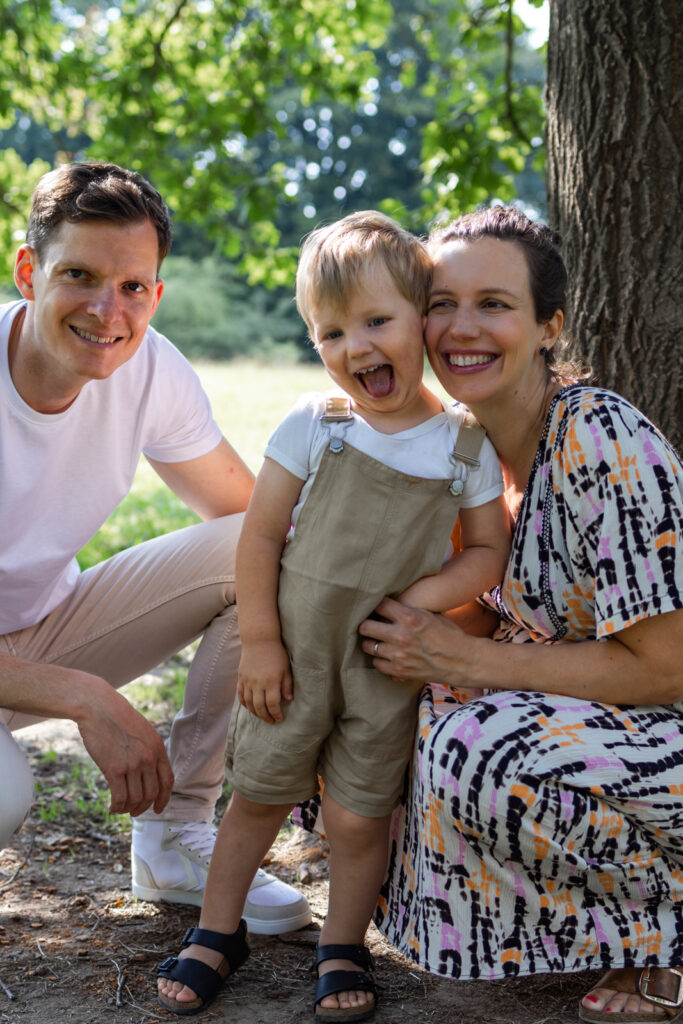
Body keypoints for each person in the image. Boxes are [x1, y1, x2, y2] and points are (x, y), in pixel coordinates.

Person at [156, 211, 510, 1018]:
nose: (355, 349)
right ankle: (217, 930)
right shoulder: (317, 424)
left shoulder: (461, 447)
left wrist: (418, 603)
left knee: (358, 818)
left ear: (421, 316)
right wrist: (260, 644)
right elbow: (257, 537)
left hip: (385, 667)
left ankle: (343, 944)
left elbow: (486, 550)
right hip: (297, 655)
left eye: (376, 322)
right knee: (255, 800)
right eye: (330, 333)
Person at [354, 206, 683, 1022]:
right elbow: (499, 619)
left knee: (479, 745)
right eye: (440, 302)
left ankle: (667, 934)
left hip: (667, 724)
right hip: (597, 726)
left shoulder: (601, 438)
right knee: (375, 715)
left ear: (548, 327)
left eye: (494, 304)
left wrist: (472, 667)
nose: (461, 328)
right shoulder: (457, 449)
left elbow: (668, 665)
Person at [0, 161, 311, 937]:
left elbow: (254, 519)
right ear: (29, 271)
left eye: (133, 286)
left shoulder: (148, 366)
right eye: (79, 275)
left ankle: (177, 837)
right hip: (44, 667)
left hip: (45, 628)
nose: (108, 310)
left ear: (157, 294)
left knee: (265, 549)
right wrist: (85, 697)